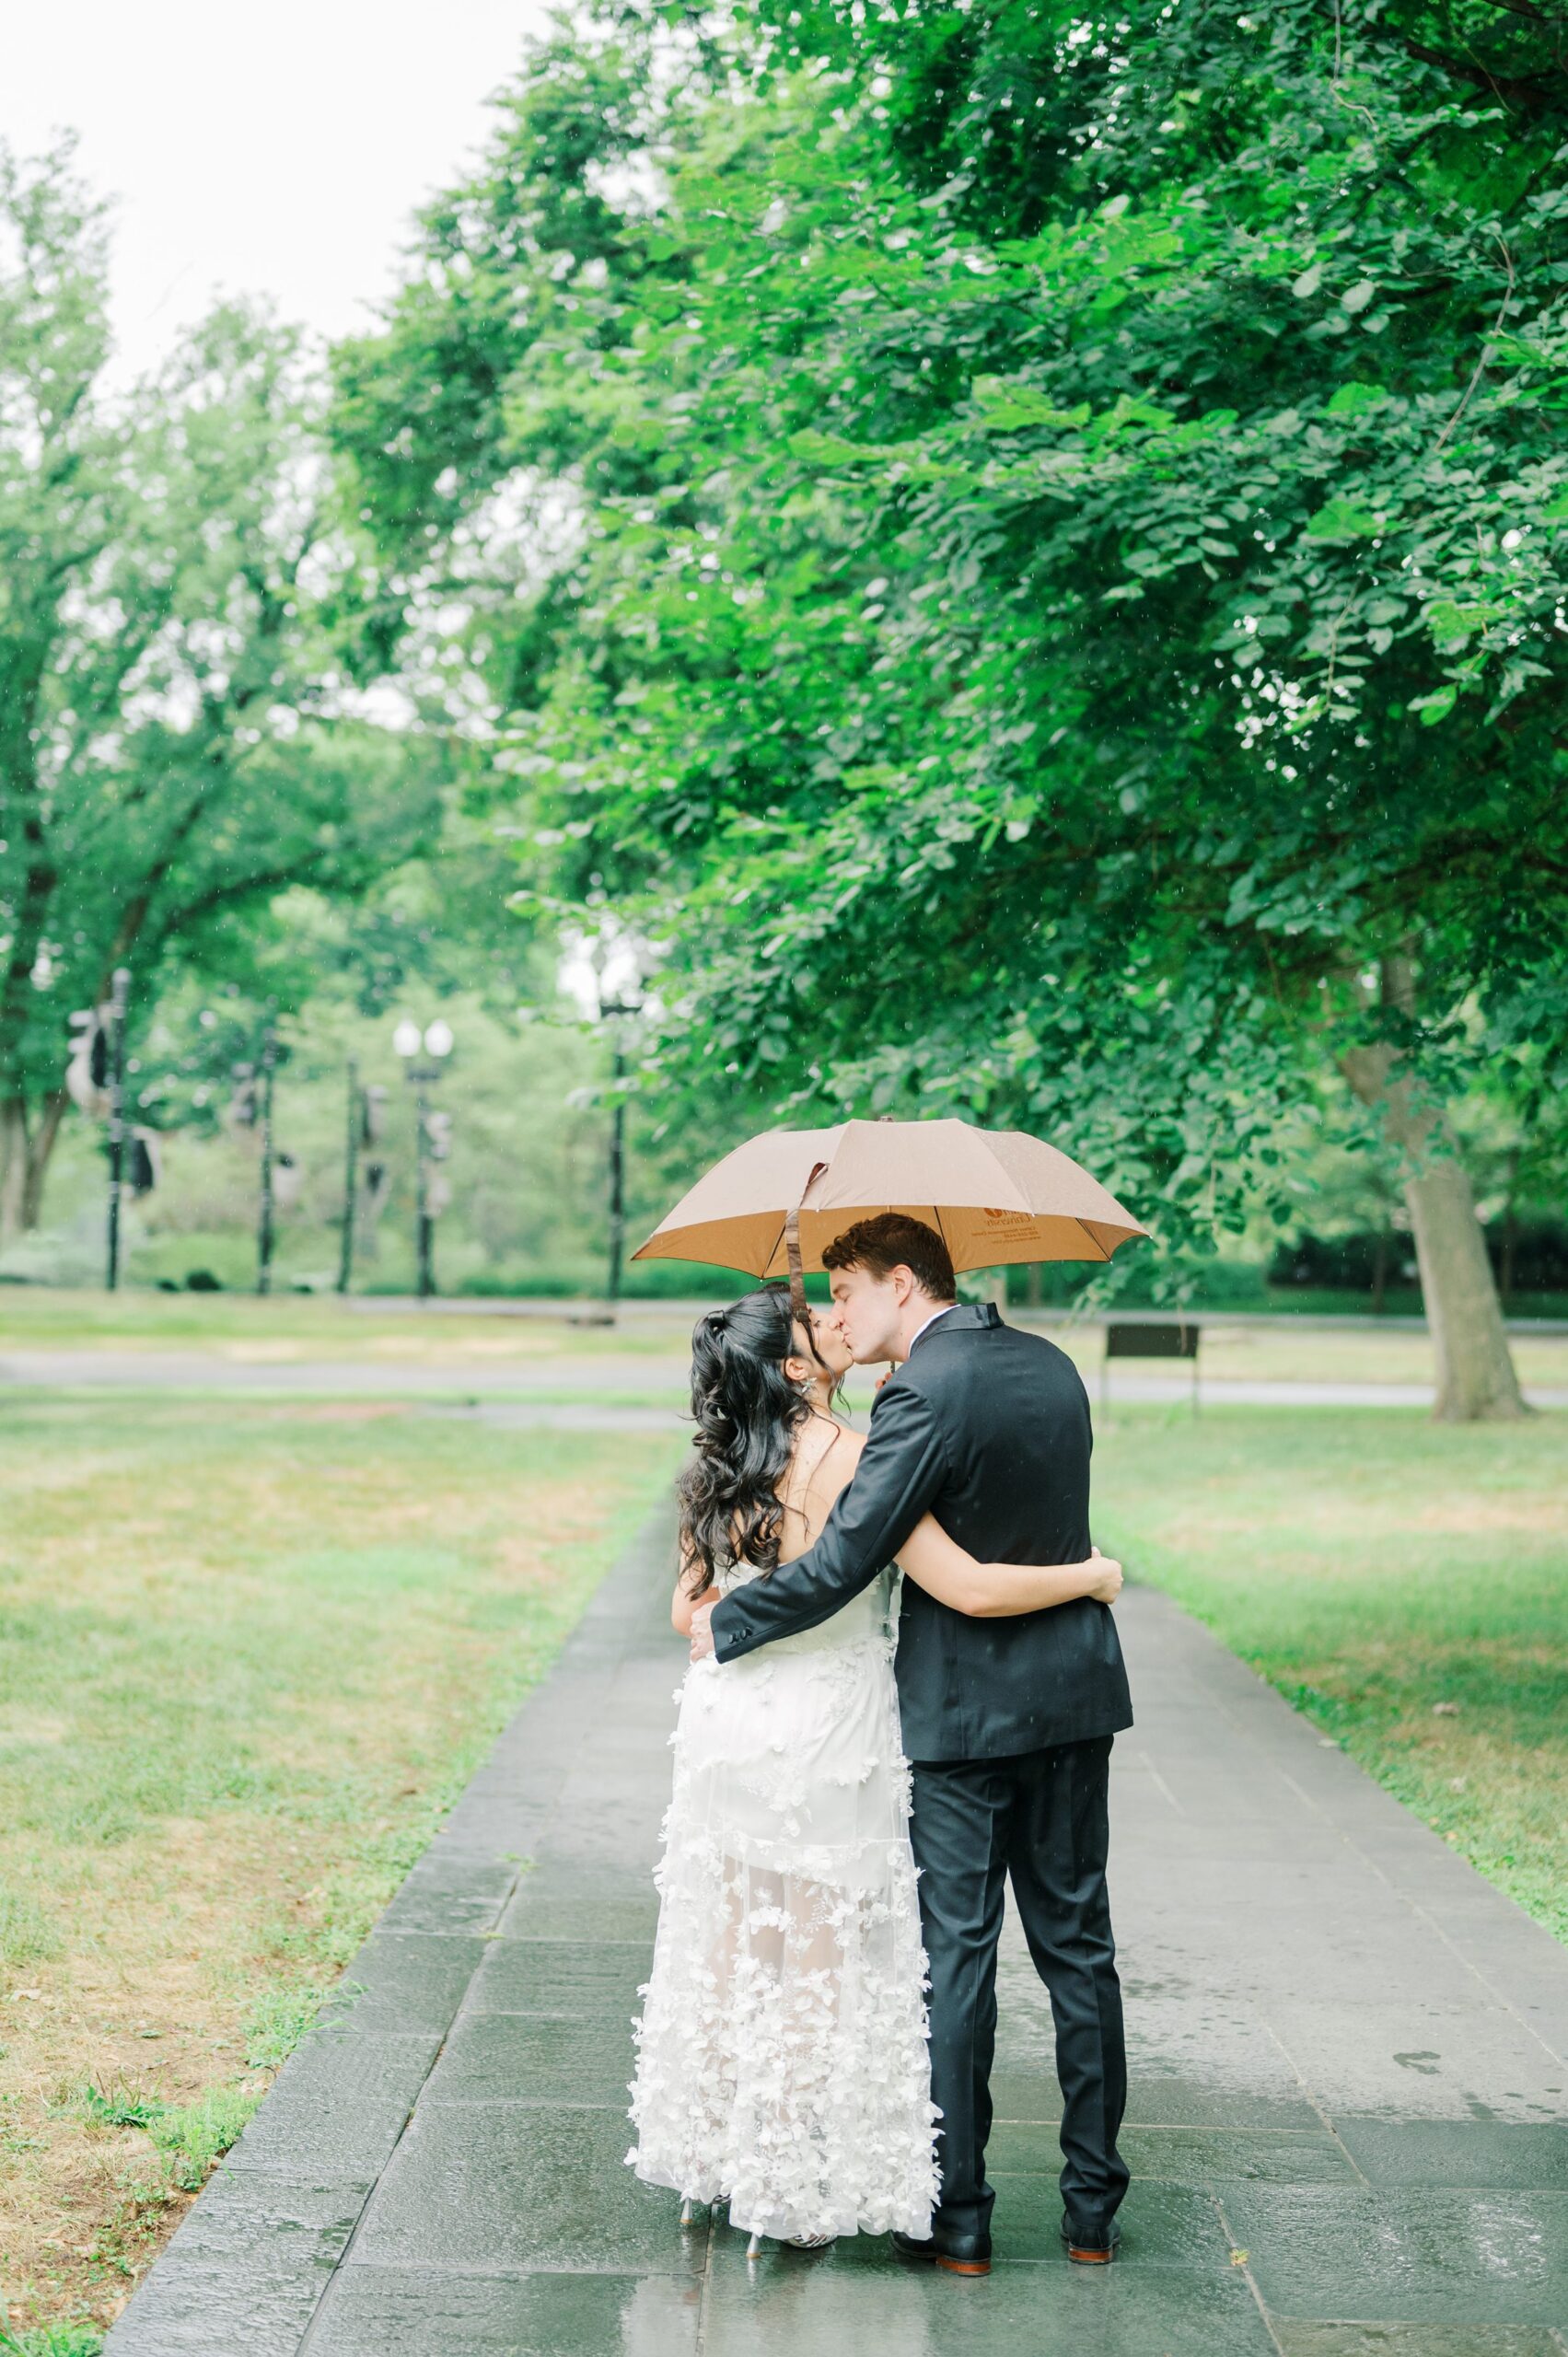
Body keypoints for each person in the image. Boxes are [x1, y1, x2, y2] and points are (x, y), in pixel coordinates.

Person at [627, 1282, 1122, 2258]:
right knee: (822, 1956)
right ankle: (802, 2184)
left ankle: (726, 2164)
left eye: (841, 1298)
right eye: (820, 1319)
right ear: (798, 1367)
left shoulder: (711, 1467)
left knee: (731, 1947)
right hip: (826, 1729)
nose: (836, 1321)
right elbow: (965, 1585)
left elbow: (688, 1617)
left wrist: (736, 1618)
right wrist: (1095, 1576)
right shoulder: (860, 1455)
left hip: (730, 1730)